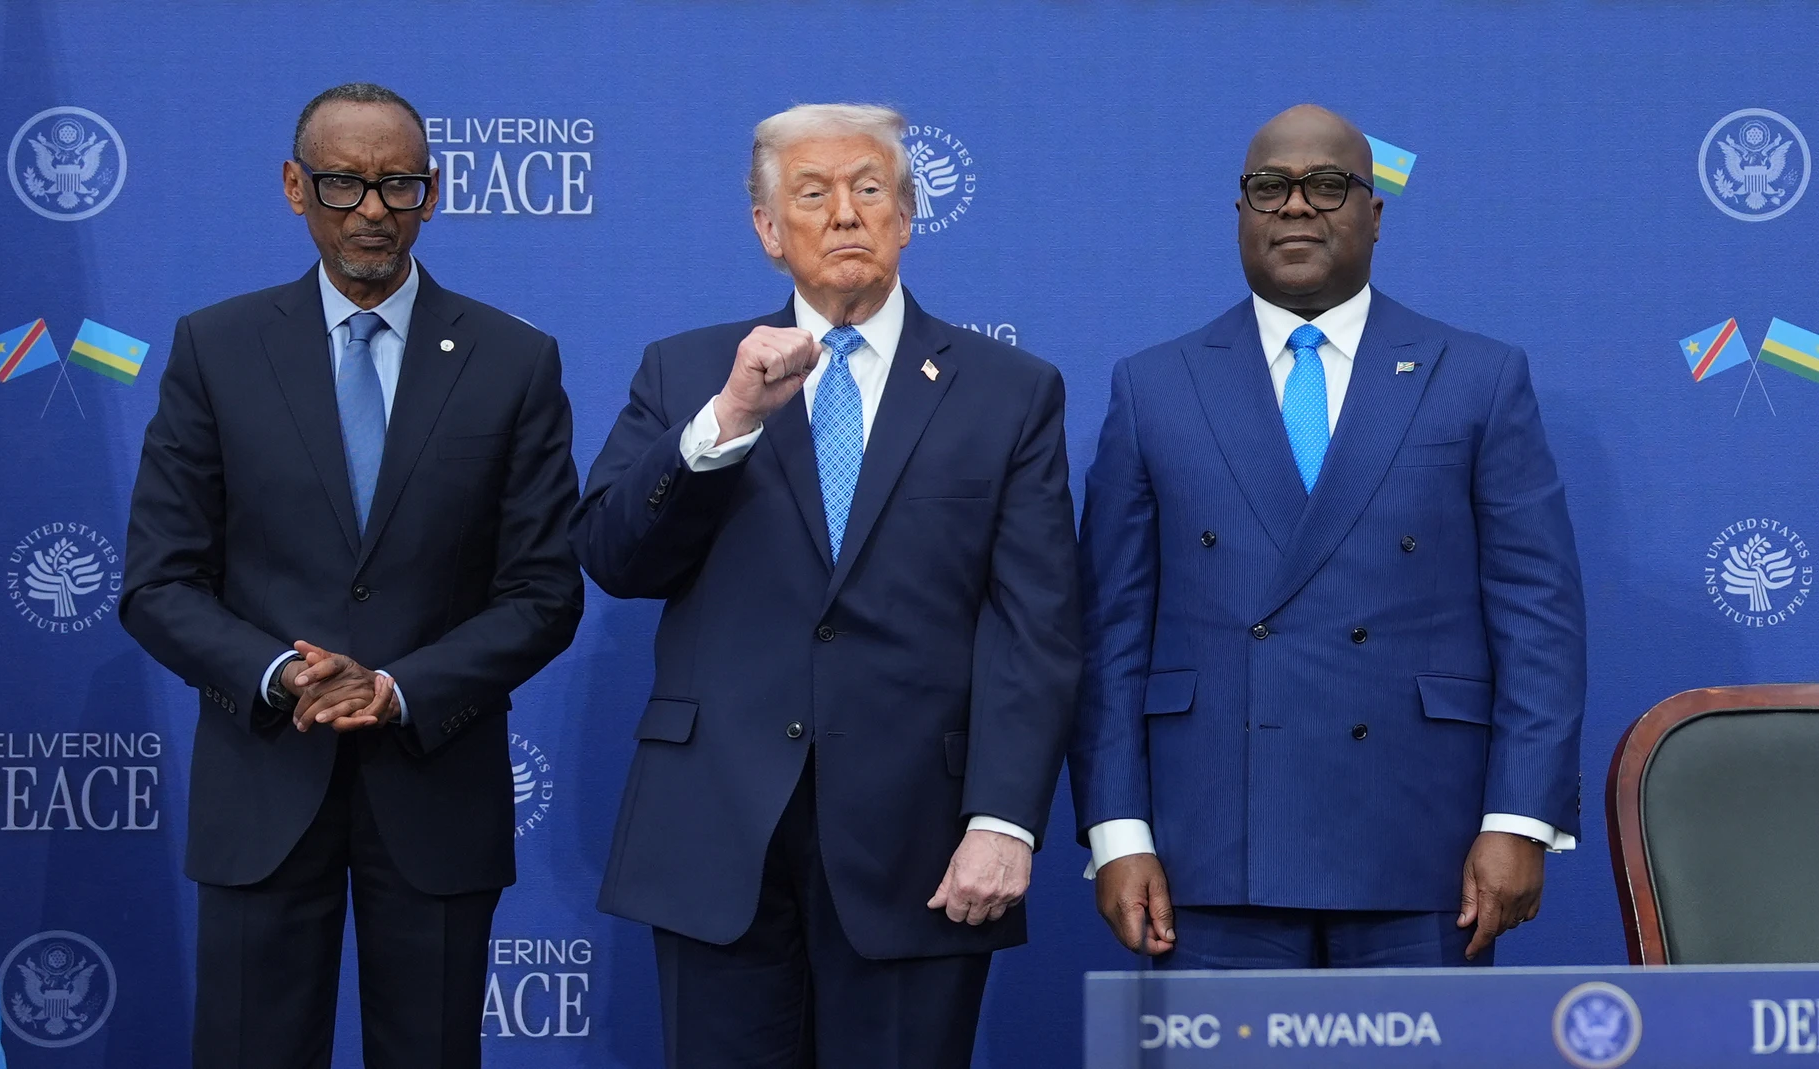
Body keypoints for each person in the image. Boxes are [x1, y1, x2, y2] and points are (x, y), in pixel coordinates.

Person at [573, 103, 1080, 1067]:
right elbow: (613, 556)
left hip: (920, 844)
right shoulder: (688, 371)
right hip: (716, 829)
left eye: (869, 189)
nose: (845, 213)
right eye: (812, 194)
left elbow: (1035, 625)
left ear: (905, 214)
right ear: (770, 231)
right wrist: (725, 421)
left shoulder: (1011, 390)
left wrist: (1005, 816)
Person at [120, 82, 584, 1068]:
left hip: (436, 789)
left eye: (399, 184)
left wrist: (396, 688)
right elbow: (157, 582)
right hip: (264, 785)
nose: (372, 208)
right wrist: (284, 675)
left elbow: (544, 595)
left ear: (435, 191)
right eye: (342, 183)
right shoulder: (217, 348)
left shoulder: (513, 360)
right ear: (295, 187)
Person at [1069, 104, 1585, 969]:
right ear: (1239, 213)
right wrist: (1118, 831)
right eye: (1269, 188)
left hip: (1426, 849)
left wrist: (1519, 819)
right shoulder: (1153, 386)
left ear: (1375, 214)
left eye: (1328, 185)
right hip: (1210, 849)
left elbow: (1538, 619)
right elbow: (1109, 634)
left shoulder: (1480, 378)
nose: (1297, 206)